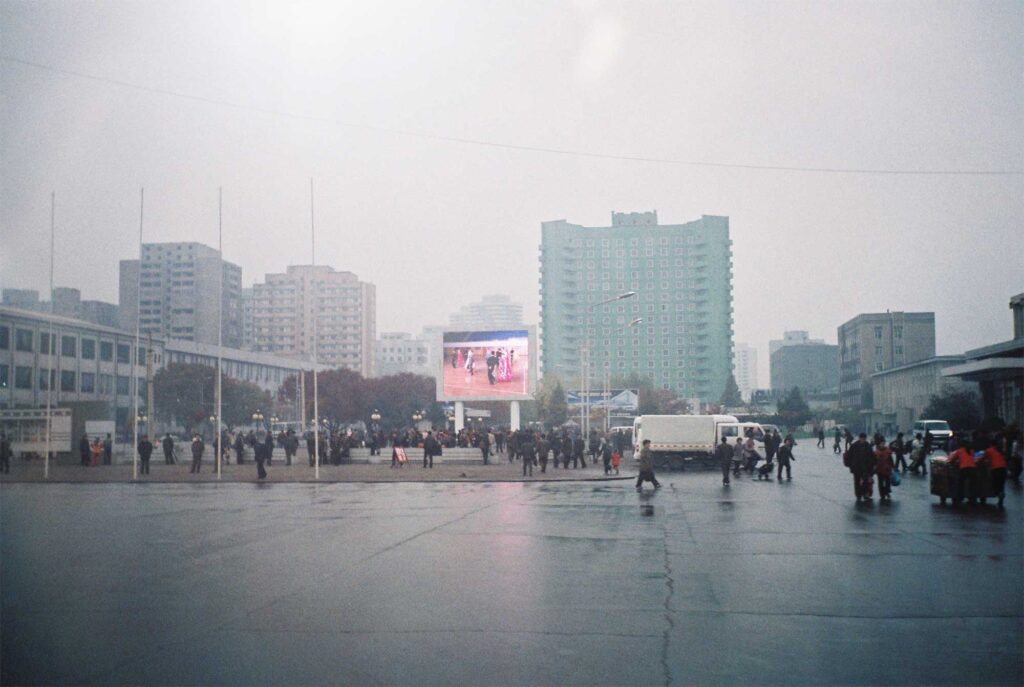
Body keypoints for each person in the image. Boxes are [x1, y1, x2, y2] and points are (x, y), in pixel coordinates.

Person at [846, 433, 875, 501]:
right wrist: (851, 464)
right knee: (857, 481)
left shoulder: (867, 446)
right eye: (862, 438)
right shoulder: (854, 445)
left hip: (865, 467)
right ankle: (858, 494)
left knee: (865, 481)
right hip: (856, 467)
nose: (863, 440)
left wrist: (872, 465)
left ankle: (864, 494)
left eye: (864, 438)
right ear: (859, 438)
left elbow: (871, 456)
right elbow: (849, 455)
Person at [946, 440, 976, 506]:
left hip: (964, 469)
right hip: (972, 469)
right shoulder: (971, 451)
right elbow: (972, 458)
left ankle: (959, 498)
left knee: (960, 485)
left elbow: (952, 459)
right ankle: (972, 499)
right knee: (972, 485)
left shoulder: (959, 451)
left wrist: (950, 461)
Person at [980, 440, 1007, 508]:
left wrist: (976, 461)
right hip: (1003, 469)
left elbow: (982, 458)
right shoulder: (1000, 450)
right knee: (1001, 485)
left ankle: (999, 494)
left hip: (996, 469)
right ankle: (1001, 495)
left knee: (994, 484)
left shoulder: (989, 450)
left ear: (991, 444)